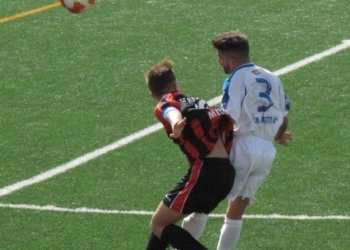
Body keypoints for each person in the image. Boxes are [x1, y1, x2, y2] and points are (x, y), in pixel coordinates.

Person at [181, 31, 293, 249]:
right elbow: (284, 118)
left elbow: (228, 118)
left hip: (241, 148)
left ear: (231, 59)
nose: (219, 61)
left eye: (220, 57)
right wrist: (277, 135)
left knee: (202, 204)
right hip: (266, 152)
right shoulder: (272, 77)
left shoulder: (235, 79)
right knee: (235, 214)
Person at [144, 59, 236, 250]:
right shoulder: (198, 103)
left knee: (158, 224)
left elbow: (170, 111)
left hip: (205, 172)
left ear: (153, 94)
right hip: (226, 173)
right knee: (163, 222)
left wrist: (176, 124)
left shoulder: (166, 103)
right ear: (176, 83)